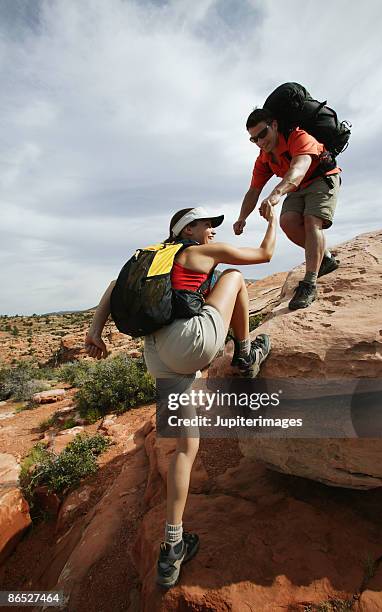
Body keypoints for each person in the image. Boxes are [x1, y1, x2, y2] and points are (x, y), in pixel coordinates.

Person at [85, 205, 276, 588]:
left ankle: (172, 546)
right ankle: (244, 353)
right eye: (208, 225)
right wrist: (272, 221)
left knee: (185, 448)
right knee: (235, 276)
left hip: (156, 354)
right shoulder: (196, 253)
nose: (212, 232)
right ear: (189, 230)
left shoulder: (150, 257)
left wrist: (94, 332)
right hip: (188, 343)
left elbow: (112, 286)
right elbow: (265, 255)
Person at [233, 108, 341, 310]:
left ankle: (309, 283)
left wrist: (276, 194)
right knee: (288, 222)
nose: (260, 142)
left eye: (262, 134)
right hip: (297, 186)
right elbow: (254, 190)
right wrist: (242, 218)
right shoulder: (264, 158)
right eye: (254, 139)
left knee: (312, 221)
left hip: (321, 179)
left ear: (274, 125)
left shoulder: (298, 137)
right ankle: (325, 258)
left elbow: (298, 169)